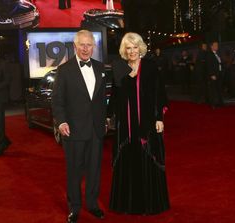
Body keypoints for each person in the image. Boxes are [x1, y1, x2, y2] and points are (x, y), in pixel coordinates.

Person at [108, 32, 170, 215]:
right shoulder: (120, 68)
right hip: (126, 126)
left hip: (147, 124)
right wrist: (108, 115)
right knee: (128, 160)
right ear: (124, 50)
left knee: (147, 158)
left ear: (140, 48)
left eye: (135, 47)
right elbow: (115, 96)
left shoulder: (150, 67)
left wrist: (159, 118)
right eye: (128, 48)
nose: (132, 51)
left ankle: (150, 204)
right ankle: (127, 205)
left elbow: (159, 93)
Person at [51, 30, 107, 223]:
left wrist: (105, 119)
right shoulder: (64, 70)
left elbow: (100, 100)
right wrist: (62, 121)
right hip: (73, 129)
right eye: (81, 45)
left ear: (94, 46)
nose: (85, 48)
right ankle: (74, 207)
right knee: (74, 171)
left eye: (89, 45)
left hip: (96, 130)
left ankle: (92, 204)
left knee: (94, 170)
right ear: (75, 47)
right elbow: (57, 101)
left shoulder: (100, 67)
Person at [206, 41, 224, 108]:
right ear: (211, 46)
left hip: (219, 74)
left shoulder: (217, 54)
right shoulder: (209, 54)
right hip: (213, 75)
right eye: (215, 45)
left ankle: (220, 103)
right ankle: (213, 104)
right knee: (213, 90)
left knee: (219, 89)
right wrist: (212, 74)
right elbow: (209, 65)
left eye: (217, 45)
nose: (217, 46)